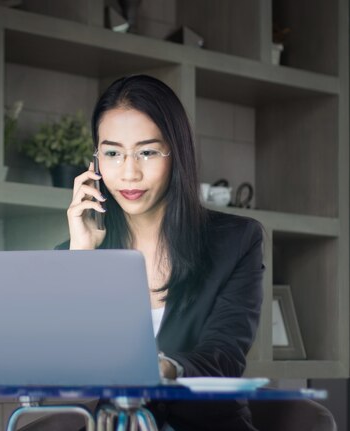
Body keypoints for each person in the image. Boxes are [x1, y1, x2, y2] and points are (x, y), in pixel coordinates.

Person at [62, 74, 264, 430]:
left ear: (176, 154)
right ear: (95, 162)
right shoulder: (79, 251)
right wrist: (81, 261)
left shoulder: (235, 241)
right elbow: (65, 369)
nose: (129, 173)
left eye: (147, 152)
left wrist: (167, 367)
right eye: (112, 153)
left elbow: (225, 356)